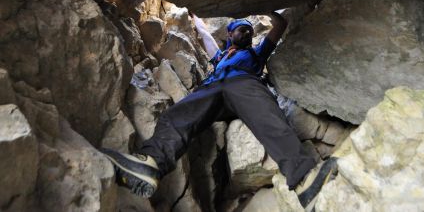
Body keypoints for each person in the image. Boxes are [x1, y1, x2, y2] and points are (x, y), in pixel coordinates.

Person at [100, 11, 337, 209]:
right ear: (230, 33)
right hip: (212, 88)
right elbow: (203, 34)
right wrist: (195, 16)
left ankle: (305, 178)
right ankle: (151, 163)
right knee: (179, 114)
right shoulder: (220, 56)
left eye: (249, 31)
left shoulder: (256, 53)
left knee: (269, 118)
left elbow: (280, 24)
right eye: (241, 29)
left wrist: (261, 7)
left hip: (244, 83)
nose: (246, 33)